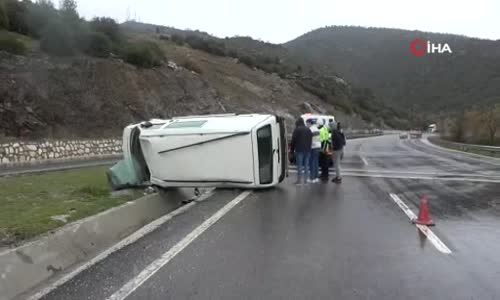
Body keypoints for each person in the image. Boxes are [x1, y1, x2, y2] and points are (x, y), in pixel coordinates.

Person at [290, 117, 312, 185]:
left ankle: (299, 181)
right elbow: (310, 140)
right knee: (306, 166)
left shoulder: (297, 130)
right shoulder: (308, 130)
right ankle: (306, 181)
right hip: (307, 150)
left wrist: (292, 150)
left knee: (299, 166)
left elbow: (293, 140)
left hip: (299, 150)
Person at [306, 119, 321, 183]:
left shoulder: (310, 130)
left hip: (313, 147)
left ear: (309, 123)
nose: (306, 125)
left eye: (307, 123)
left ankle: (312, 178)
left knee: (311, 163)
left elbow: (309, 140)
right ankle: (316, 177)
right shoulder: (317, 129)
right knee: (316, 162)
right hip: (318, 146)